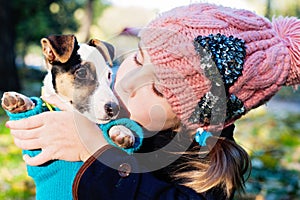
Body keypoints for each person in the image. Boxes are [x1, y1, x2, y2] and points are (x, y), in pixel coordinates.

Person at [5, 3, 300, 200]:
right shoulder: (109, 109)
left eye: (158, 90)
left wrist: (96, 152)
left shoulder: (206, 173)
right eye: (137, 58)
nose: (129, 80)